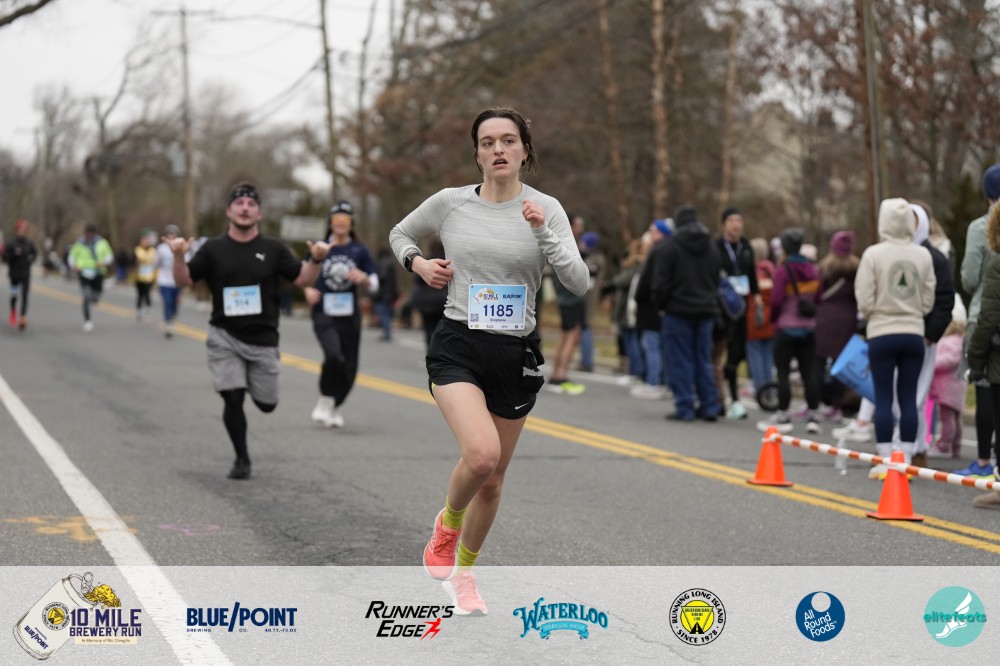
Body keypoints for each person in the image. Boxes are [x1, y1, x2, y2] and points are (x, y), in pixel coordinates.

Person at [388, 107, 588, 615]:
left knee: (494, 480)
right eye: (487, 142)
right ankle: (447, 525)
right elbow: (399, 234)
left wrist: (543, 232)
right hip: (458, 343)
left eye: (508, 140)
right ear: (477, 154)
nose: (498, 149)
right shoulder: (451, 203)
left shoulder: (546, 208)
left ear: (525, 150)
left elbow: (579, 281)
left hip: (514, 351)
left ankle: (465, 575)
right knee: (481, 456)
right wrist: (419, 264)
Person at [164, 182, 330, 480]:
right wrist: (178, 256)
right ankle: (242, 458)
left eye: (251, 204)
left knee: (267, 405)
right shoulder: (213, 249)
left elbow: (303, 279)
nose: (244, 208)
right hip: (224, 336)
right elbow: (183, 280)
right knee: (233, 396)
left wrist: (316, 258)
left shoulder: (274, 248)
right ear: (229, 211)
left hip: (263, 339)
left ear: (259, 213)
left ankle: (254, 386)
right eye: (239, 203)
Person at [855, 198, 935, 476]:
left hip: (882, 331)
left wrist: (875, 311)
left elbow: (864, 299)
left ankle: (886, 457)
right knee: (909, 397)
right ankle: (907, 458)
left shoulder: (873, 254)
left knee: (883, 397)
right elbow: (928, 299)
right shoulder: (923, 255)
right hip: (913, 332)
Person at [306, 200, 379, 429]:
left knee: (350, 366)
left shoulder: (359, 250)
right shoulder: (320, 248)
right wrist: (307, 289)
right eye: (336, 219)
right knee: (334, 355)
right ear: (330, 223)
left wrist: (364, 279)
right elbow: (303, 274)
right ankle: (325, 397)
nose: (340, 222)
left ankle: (334, 406)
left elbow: (375, 282)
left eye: (345, 219)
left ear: (351, 223)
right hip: (323, 312)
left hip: (349, 314)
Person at [651, 206, 723, 421]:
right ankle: (709, 405)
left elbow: (660, 283)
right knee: (703, 359)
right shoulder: (711, 247)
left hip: (678, 310)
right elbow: (716, 280)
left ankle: (685, 406)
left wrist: (661, 305)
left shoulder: (670, 246)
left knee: (680, 360)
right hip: (706, 310)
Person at [756, 227, 822, 434]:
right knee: (808, 372)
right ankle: (813, 415)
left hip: (786, 327)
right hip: (808, 329)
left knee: (783, 373)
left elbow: (776, 301)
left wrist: (774, 319)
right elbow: (819, 297)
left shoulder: (783, 271)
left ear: (784, 248)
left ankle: (783, 414)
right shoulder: (813, 269)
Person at [958, 163, 1000, 478]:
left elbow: (970, 279)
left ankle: (984, 462)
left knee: (985, 388)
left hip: (985, 314)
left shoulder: (980, 227)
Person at [715, 208, 762, 420]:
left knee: (739, 351)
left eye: (739, 221)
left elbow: (752, 274)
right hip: (722, 306)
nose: (736, 225)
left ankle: (732, 392)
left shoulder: (746, 246)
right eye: (732, 221)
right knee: (717, 351)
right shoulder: (716, 246)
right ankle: (724, 398)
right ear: (724, 224)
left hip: (742, 306)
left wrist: (757, 297)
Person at [813, 231, 859, 422]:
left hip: (824, 319)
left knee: (818, 362)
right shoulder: (857, 268)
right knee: (841, 364)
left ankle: (814, 403)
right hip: (847, 320)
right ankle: (837, 405)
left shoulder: (824, 267)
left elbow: (817, 293)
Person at [548, 213, 588, 394]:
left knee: (564, 336)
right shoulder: (567, 244)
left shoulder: (557, 242)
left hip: (564, 298)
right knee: (571, 337)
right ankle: (562, 376)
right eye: (578, 225)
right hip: (572, 298)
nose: (580, 229)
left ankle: (555, 375)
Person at [928, 315, 966, 459]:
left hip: (947, 388)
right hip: (954, 386)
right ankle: (955, 446)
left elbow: (951, 360)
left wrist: (932, 361)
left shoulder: (951, 341)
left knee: (947, 418)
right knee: (955, 418)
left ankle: (944, 445)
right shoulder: (959, 340)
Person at [67, 224, 114, 333]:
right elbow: (72, 256)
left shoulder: (102, 243)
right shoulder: (79, 243)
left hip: (98, 273)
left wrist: (104, 262)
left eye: (91, 233)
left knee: (95, 297)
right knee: (86, 296)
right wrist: (73, 265)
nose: (89, 235)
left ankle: (96, 296)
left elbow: (109, 256)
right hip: (84, 273)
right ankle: (87, 321)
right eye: (87, 233)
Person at [745, 237, 776, 394]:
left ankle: (760, 389)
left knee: (755, 355)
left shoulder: (752, 273)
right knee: (768, 356)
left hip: (754, 318)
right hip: (770, 318)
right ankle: (769, 388)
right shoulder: (772, 271)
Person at [411, 238, 448, 348]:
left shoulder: (426, 261)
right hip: (444, 300)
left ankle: (430, 350)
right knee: (444, 329)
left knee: (428, 329)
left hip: (427, 301)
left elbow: (417, 281)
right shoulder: (449, 262)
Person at [578, 228, 606, 372]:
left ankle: (587, 361)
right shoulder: (592, 258)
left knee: (586, 327)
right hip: (587, 298)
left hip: (588, 299)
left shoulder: (595, 261)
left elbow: (589, 282)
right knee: (584, 328)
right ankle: (585, 359)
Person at [3, 219, 37, 330]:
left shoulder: (29, 243)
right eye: (20, 229)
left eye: (24, 229)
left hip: (25, 273)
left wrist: (30, 260)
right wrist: (14, 254)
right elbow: (5, 258)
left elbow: (34, 254)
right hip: (14, 274)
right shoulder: (11, 243)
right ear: (16, 230)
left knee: (25, 295)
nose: (22, 231)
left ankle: (23, 317)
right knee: (14, 295)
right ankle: (13, 311)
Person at [155, 224, 183, 338]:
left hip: (176, 281)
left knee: (175, 303)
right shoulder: (161, 248)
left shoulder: (181, 247)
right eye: (169, 234)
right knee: (167, 302)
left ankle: (173, 316)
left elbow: (186, 263)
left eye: (173, 234)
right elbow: (156, 263)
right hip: (164, 280)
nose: (171, 236)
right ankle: (168, 323)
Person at [373, 246, 400, 340]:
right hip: (390, 293)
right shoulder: (391, 262)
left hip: (383, 294)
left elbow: (382, 277)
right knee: (387, 313)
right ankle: (387, 332)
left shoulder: (383, 263)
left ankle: (386, 333)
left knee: (383, 313)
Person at [133, 232, 157, 322]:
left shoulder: (152, 251)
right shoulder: (137, 250)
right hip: (139, 277)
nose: (144, 243)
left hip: (149, 277)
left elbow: (153, 261)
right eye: (142, 241)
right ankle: (139, 311)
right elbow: (137, 260)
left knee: (147, 294)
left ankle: (148, 312)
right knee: (140, 295)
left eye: (146, 241)